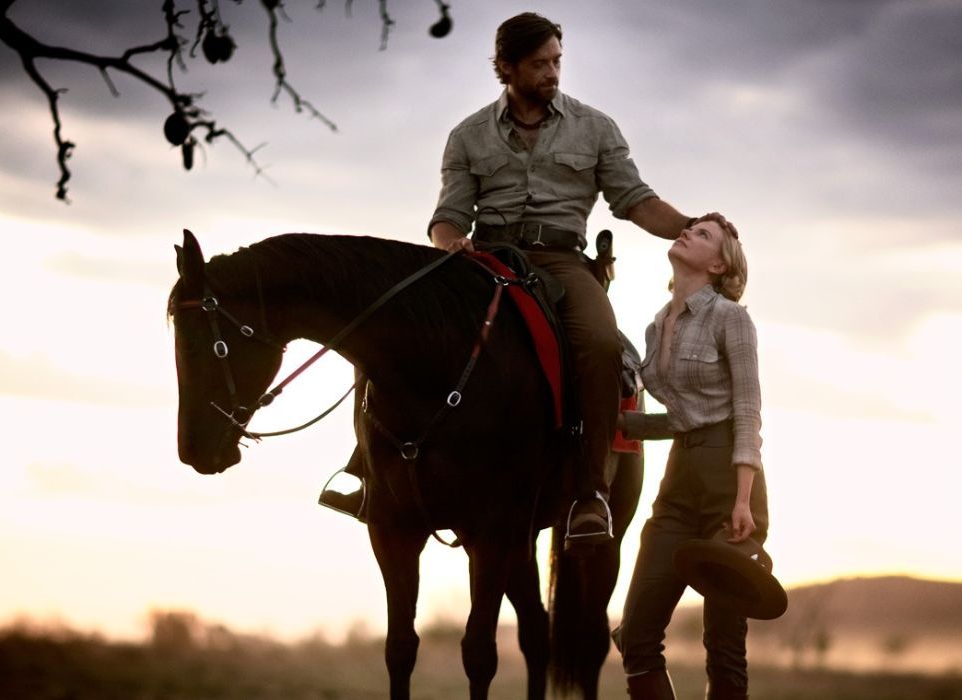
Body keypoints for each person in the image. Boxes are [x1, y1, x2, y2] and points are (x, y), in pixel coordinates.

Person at [325, 12, 701, 543]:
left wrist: (691, 224)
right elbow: (449, 214)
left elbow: (635, 202)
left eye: (557, 62)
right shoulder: (468, 134)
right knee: (399, 326)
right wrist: (450, 242)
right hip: (487, 261)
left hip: (563, 261)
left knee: (597, 343)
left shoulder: (595, 127)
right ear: (506, 67)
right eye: (539, 64)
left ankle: (590, 492)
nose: (552, 73)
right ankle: (367, 471)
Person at [616, 213, 766, 700]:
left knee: (724, 645)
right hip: (679, 481)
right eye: (690, 228)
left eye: (702, 234)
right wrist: (612, 422)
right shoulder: (656, 328)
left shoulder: (731, 318)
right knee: (636, 634)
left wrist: (742, 501)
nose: (686, 232)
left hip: (730, 482)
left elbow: (746, 413)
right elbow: (681, 418)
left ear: (719, 264)